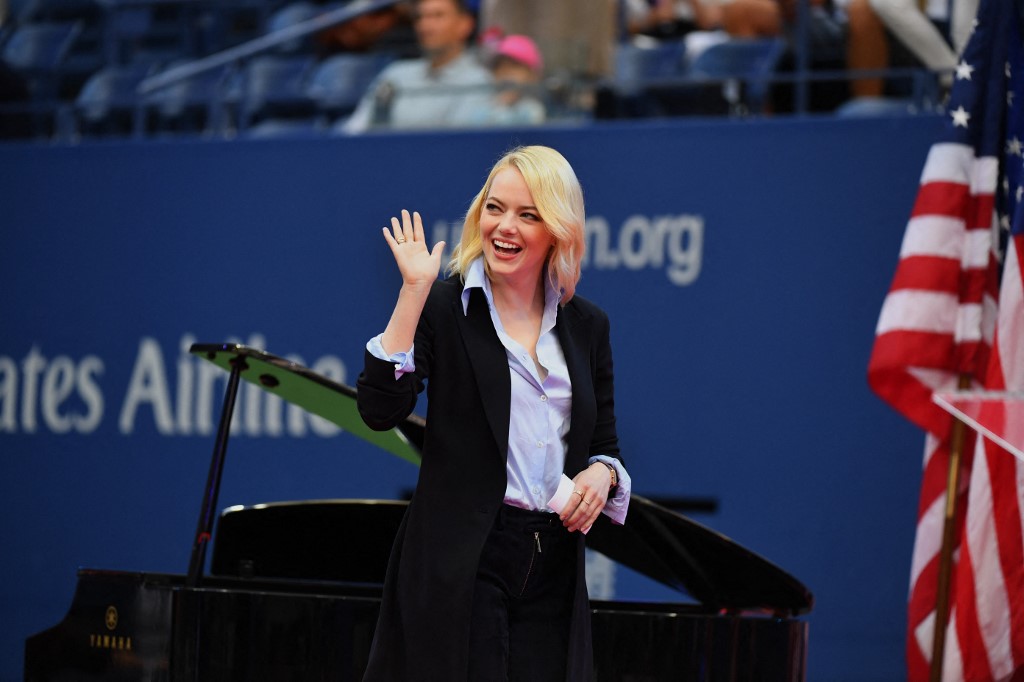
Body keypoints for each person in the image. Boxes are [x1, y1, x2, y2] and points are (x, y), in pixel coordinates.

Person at [356, 145, 631, 681]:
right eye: (495, 207)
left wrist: (601, 473)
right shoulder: (444, 306)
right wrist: (413, 292)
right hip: (463, 557)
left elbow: (606, 446)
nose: (505, 227)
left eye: (528, 215)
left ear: (557, 229)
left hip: (553, 558)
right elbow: (378, 409)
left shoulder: (587, 325)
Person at [340, 0, 492, 133]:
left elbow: (455, 143)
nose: (425, 25)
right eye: (420, 17)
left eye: (437, 15)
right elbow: (355, 129)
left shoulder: (479, 80)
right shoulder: (395, 73)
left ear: (465, 24)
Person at [470, 33, 547, 126]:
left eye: (514, 67)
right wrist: (501, 105)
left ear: (531, 75)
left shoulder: (533, 109)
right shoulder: (483, 108)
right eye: (499, 67)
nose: (505, 73)